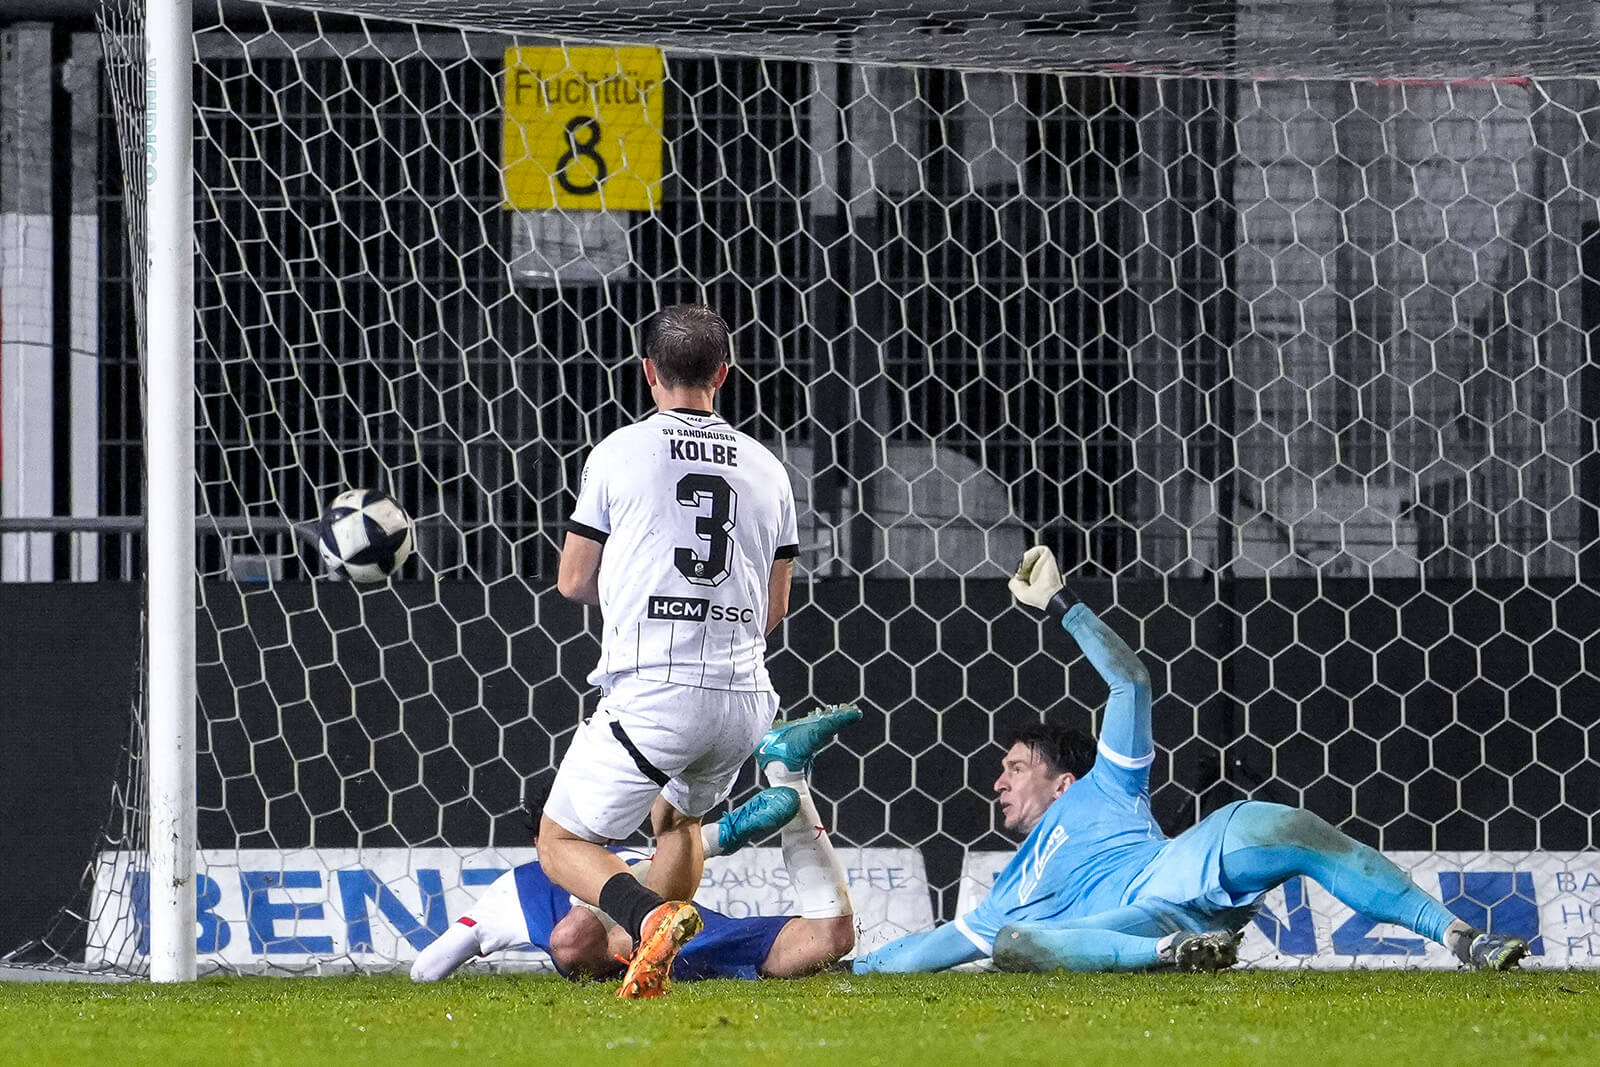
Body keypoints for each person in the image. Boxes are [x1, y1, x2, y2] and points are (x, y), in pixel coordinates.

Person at [852, 546, 1530, 975]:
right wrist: (846, 968)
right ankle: (1177, 954)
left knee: (1284, 826)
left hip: (1182, 868)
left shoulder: (1108, 788)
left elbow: (1132, 683)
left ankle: (1462, 935)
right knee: (1014, 946)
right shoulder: (1004, 897)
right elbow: (923, 950)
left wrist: (1063, 606)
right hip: (1131, 930)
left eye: (1017, 764)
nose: (998, 779)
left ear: (1064, 781)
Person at [542, 303, 802, 997]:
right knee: (677, 819)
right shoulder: (770, 469)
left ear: (648, 370)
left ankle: (649, 915)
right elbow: (776, 608)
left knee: (560, 841)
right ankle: (649, 956)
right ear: (723, 372)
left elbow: (573, 581)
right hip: (746, 695)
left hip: (658, 686)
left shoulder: (618, 451)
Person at [413, 707, 859, 987]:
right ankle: (773, 777)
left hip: (680, 946)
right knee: (575, 935)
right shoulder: (534, 883)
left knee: (833, 939)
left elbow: (430, 966)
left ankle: (782, 772)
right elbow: (429, 966)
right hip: (630, 953)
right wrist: (721, 836)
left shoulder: (537, 880)